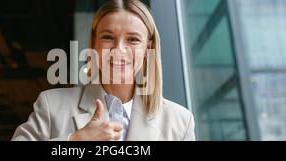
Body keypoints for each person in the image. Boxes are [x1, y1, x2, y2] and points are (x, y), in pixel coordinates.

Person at [12, 0, 195, 141]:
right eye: (108, 37)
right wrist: (74, 140)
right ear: (94, 45)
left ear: (148, 49)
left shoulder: (180, 121)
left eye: (133, 40)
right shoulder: (52, 105)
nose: (119, 49)